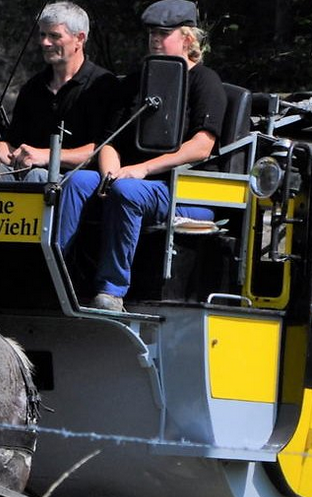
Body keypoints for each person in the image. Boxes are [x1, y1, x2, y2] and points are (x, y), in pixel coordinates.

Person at [56, 0, 226, 312]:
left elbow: (203, 145)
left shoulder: (205, 81)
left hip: (183, 191)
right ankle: (58, 274)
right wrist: (109, 174)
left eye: (163, 33)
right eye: (151, 34)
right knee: (79, 180)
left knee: (128, 190)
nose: (154, 40)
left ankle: (111, 289)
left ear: (188, 38)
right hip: (129, 180)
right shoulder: (136, 82)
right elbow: (110, 141)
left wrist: (142, 169)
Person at [0, 2, 118, 181]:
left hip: (74, 184)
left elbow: (104, 150)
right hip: (25, 178)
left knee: (37, 176)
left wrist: (47, 156)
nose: (45, 42)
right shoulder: (33, 88)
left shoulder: (103, 86)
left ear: (79, 39)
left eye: (54, 36)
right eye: (43, 34)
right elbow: (13, 150)